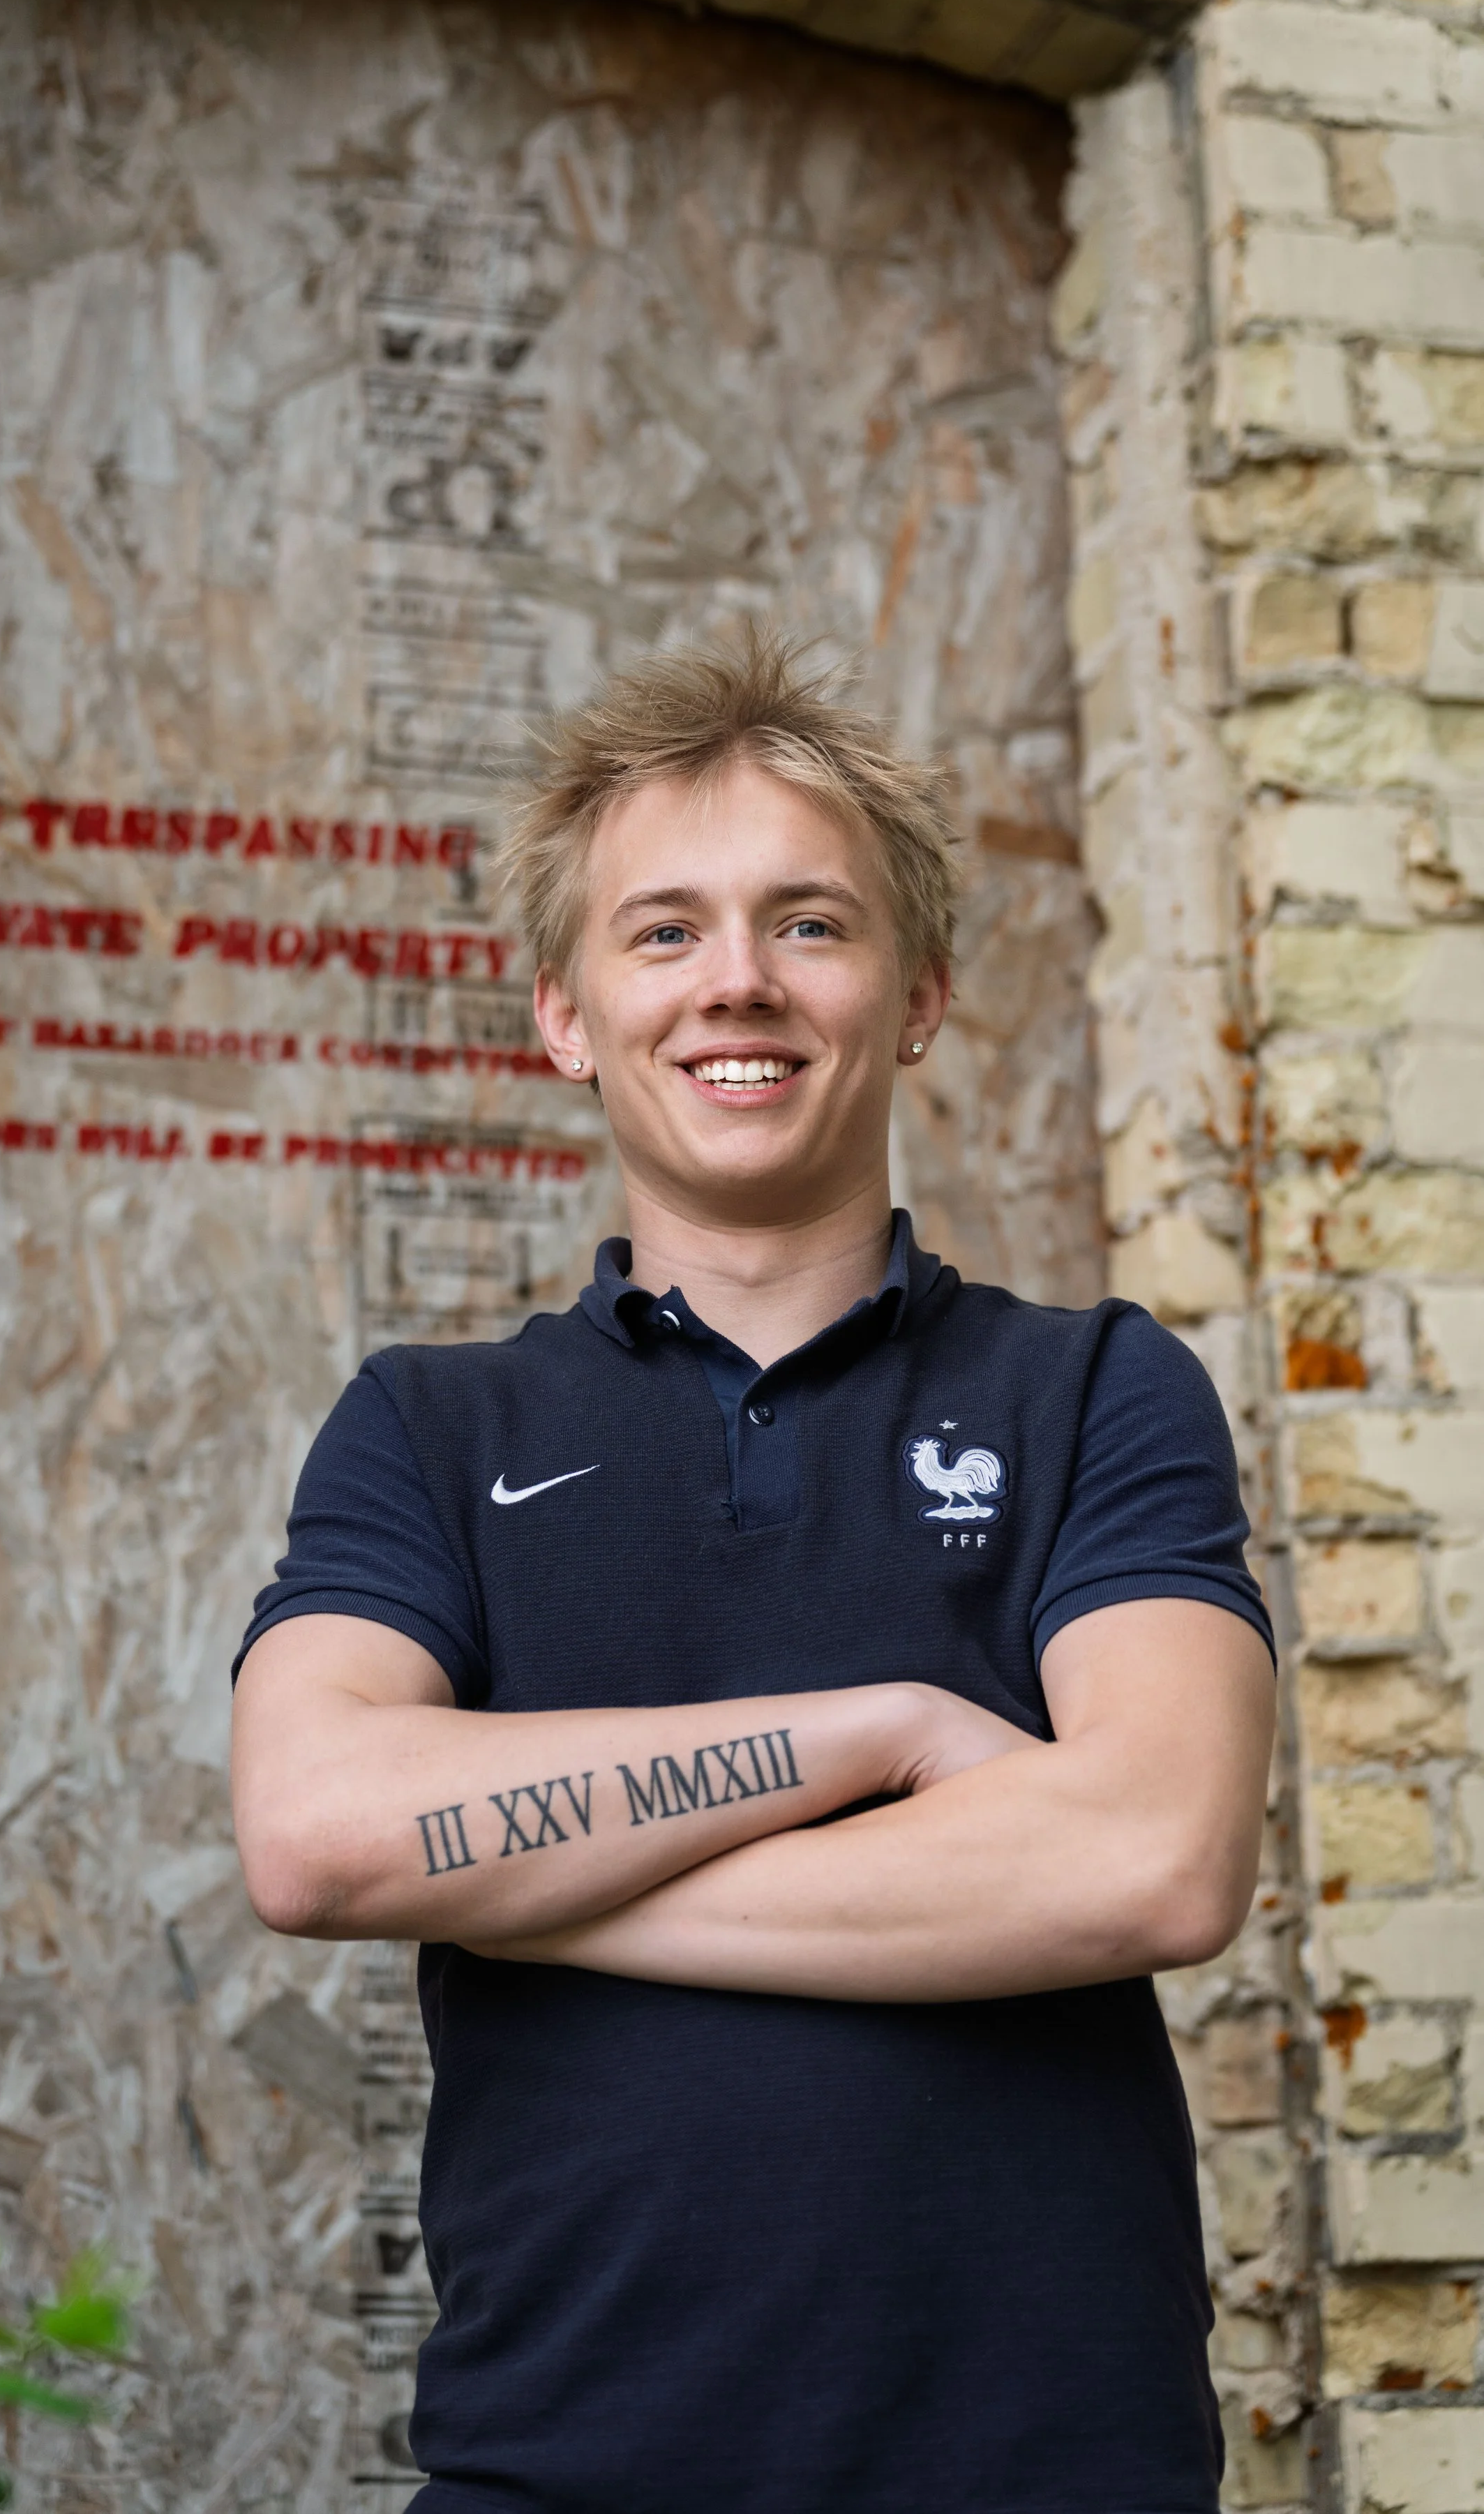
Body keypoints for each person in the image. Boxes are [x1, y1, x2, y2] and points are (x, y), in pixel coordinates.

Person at [230, 631, 1277, 2514]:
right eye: (664, 931)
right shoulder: (428, 1427)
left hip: (1048, 2470)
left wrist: (526, 1885)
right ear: (565, 1016)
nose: (737, 980)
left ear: (918, 994)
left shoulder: (1097, 1389)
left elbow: (1151, 1857)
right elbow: (318, 1833)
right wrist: (880, 1732)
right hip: (560, 2468)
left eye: (808, 923)